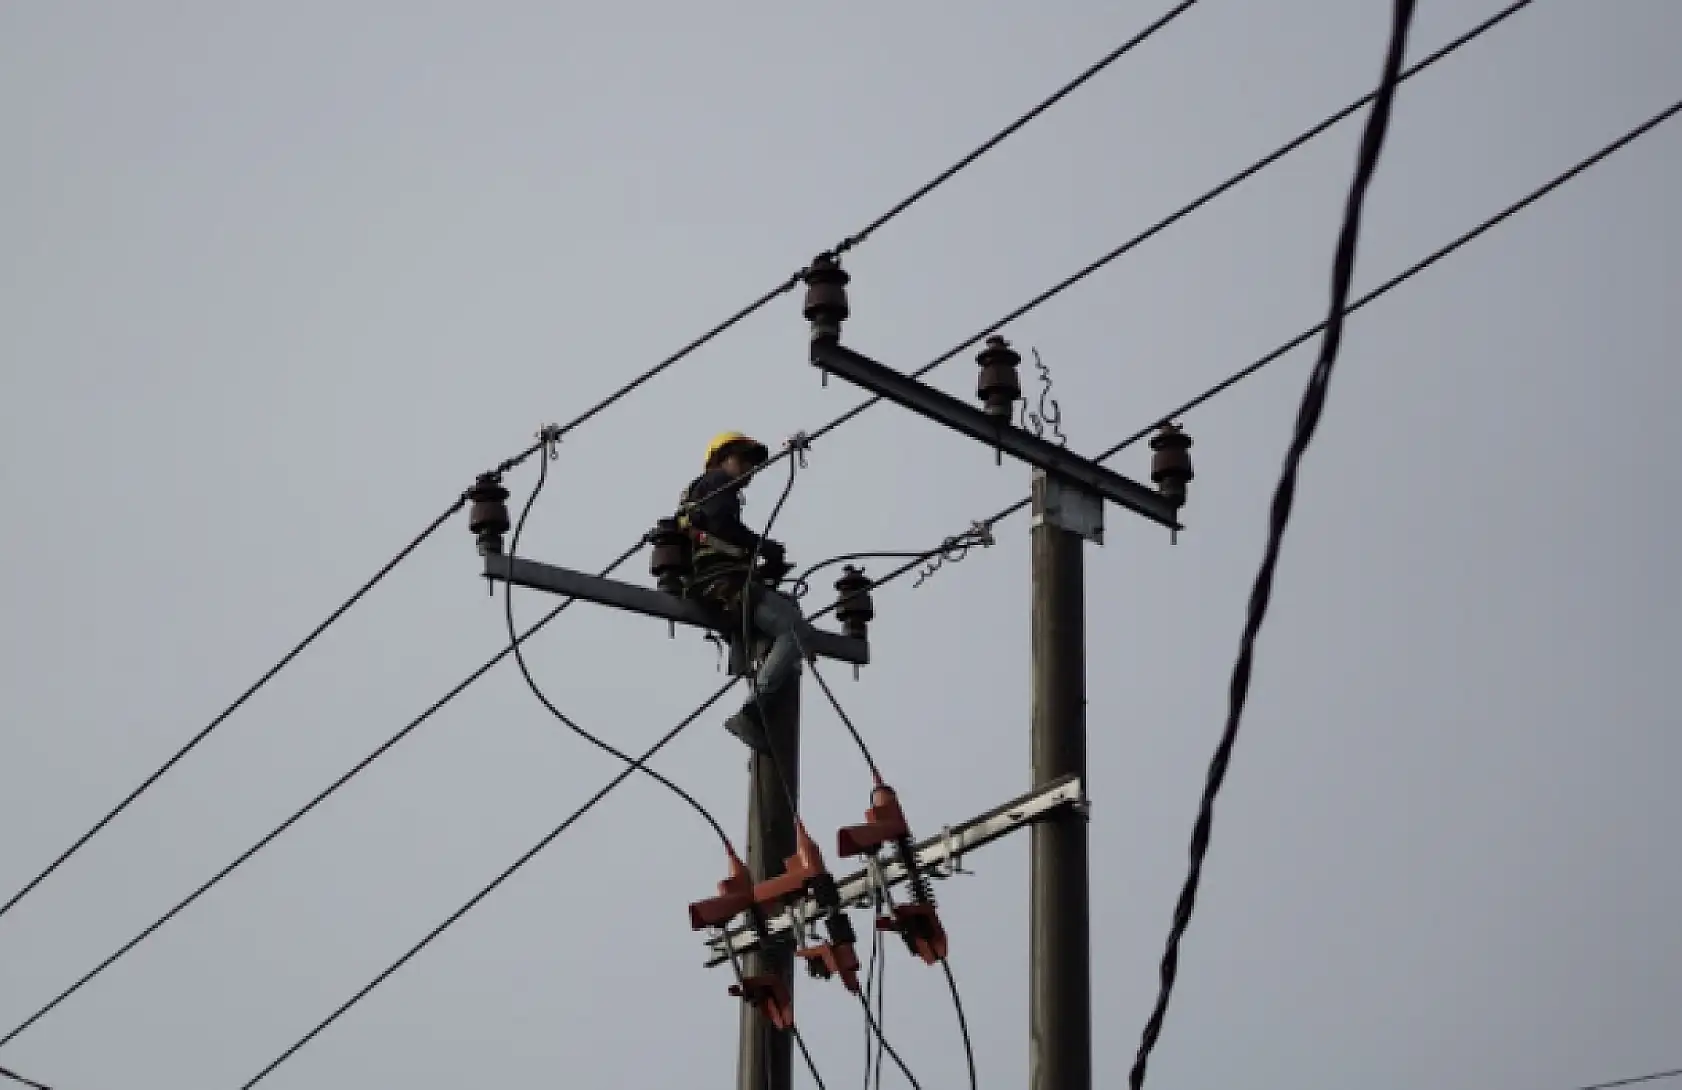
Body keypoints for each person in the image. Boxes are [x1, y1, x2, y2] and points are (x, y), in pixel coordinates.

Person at [677, 431, 816, 753]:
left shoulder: (703, 492)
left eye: (754, 464)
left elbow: (722, 535)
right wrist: (764, 546)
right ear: (721, 459)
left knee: (790, 612)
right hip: (723, 583)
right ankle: (752, 712)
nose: (750, 469)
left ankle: (772, 668)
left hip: (725, 580)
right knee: (794, 632)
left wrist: (763, 559)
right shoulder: (715, 484)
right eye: (743, 460)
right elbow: (723, 528)